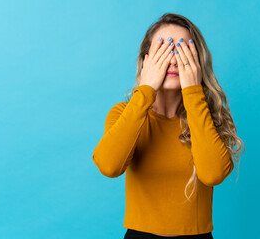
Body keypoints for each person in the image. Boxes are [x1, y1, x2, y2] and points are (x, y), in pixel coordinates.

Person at [92, 13, 245, 239]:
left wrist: (193, 91)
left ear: (197, 61)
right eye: (164, 50)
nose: (173, 60)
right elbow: (108, 166)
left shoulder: (207, 117)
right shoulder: (124, 114)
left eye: (183, 50)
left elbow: (213, 174)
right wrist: (145, 90)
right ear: (146, 61)